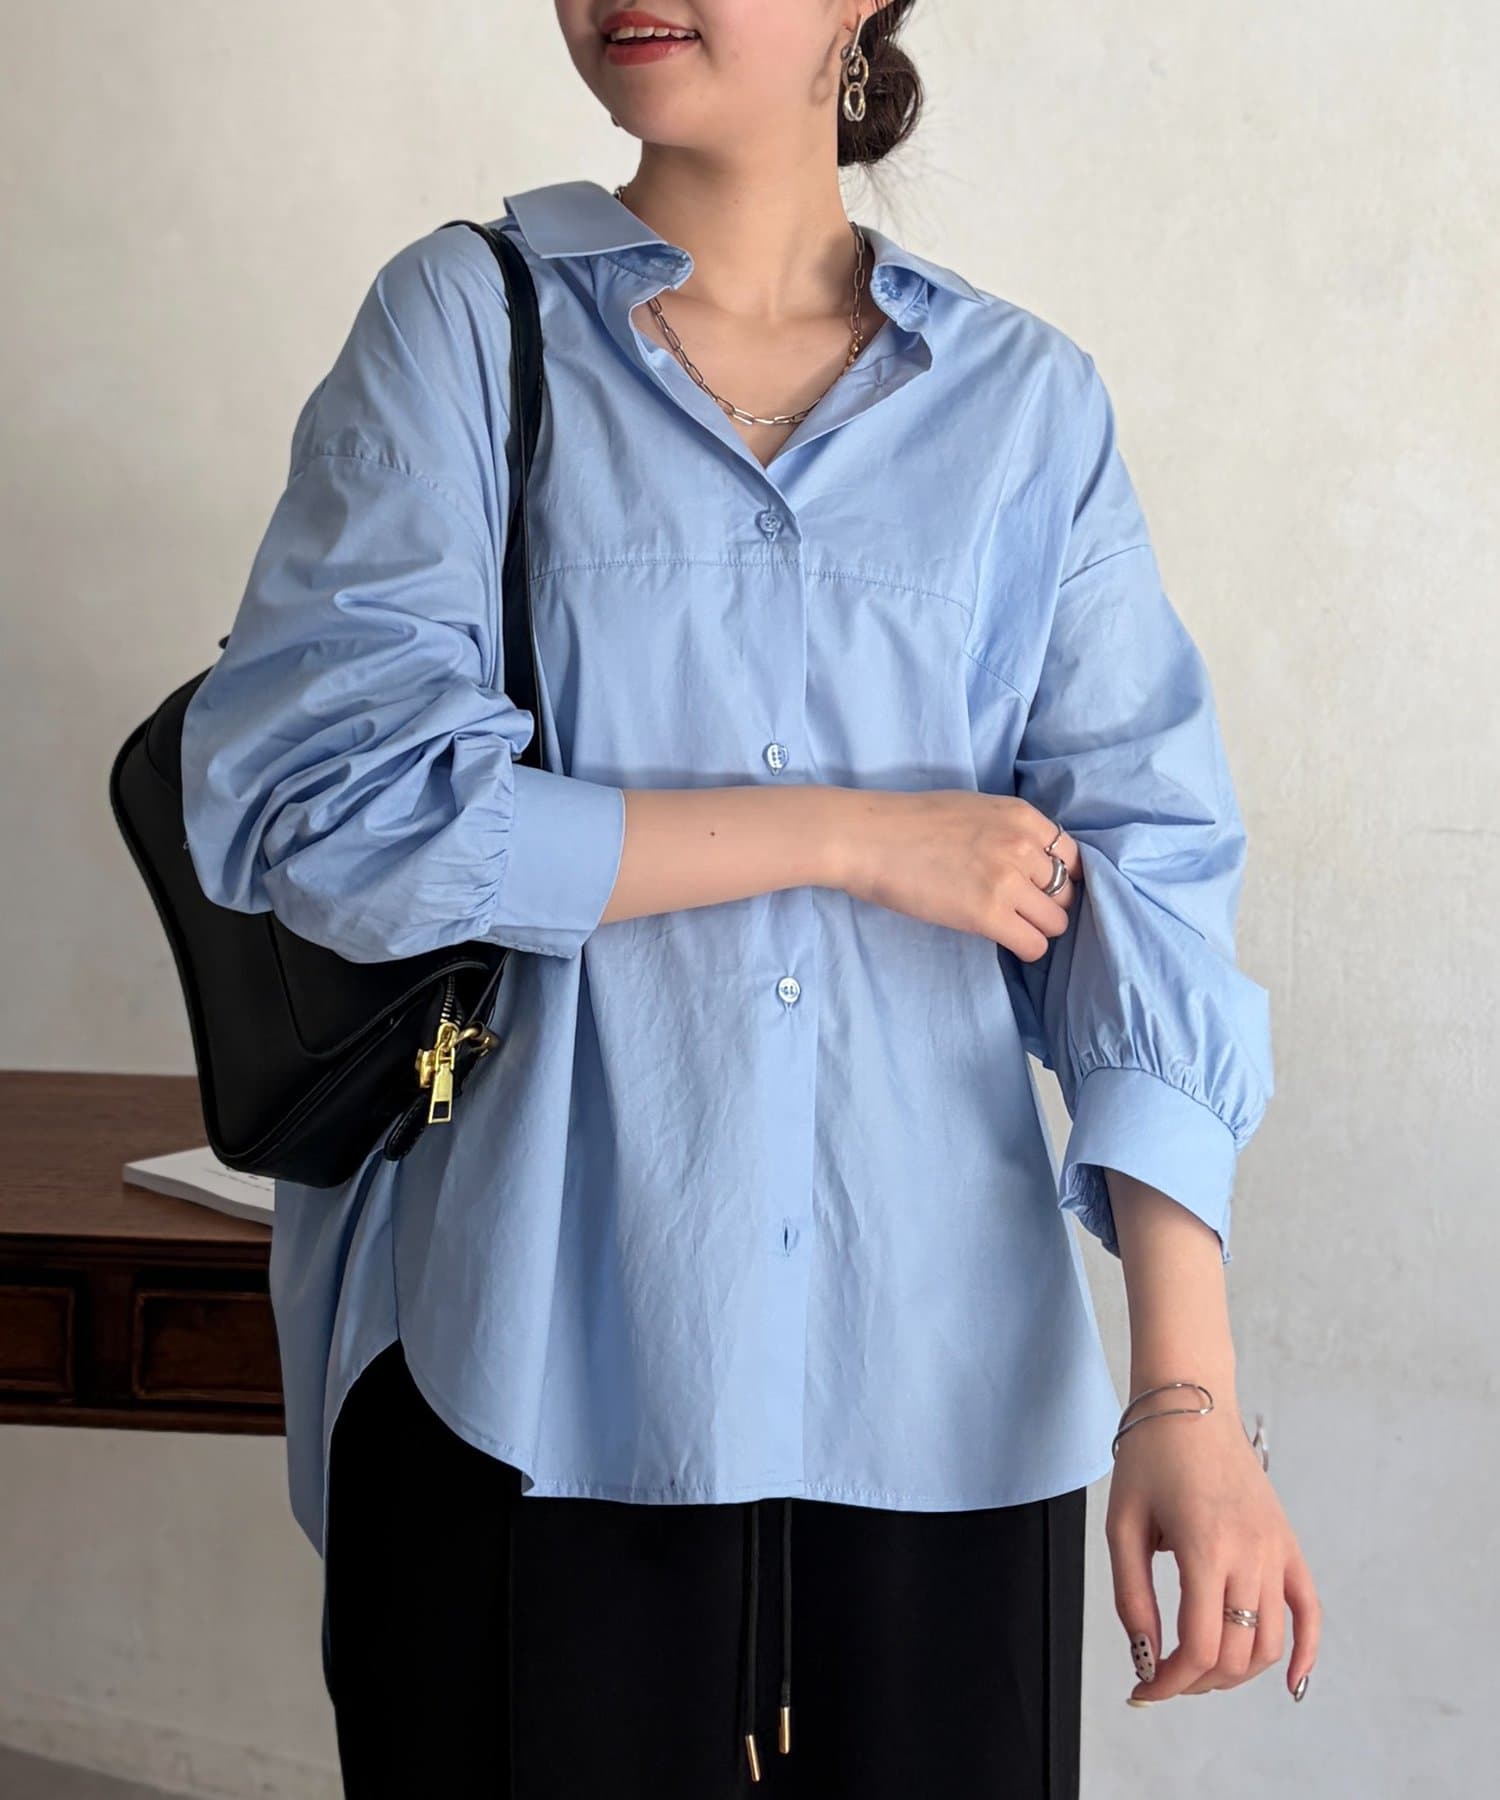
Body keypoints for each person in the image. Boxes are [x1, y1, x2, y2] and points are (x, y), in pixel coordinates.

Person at [180, 2, 1322, 1794]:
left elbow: (1147, 889)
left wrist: (1185, 1390)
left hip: (938, 1383)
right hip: (526, 1358)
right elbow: (327, 812)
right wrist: (850, 837)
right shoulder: (464, 328)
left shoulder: (1024, 407)